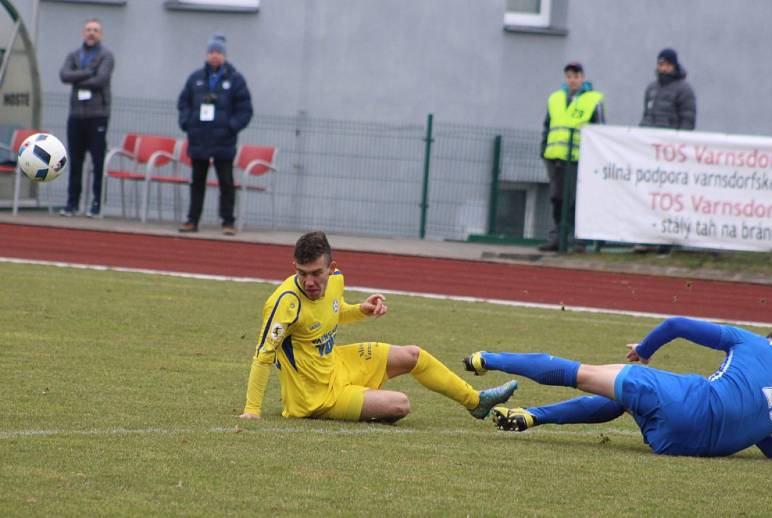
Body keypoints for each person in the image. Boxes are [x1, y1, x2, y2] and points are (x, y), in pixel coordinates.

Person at [239, 231, 518, 423]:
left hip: (337, 364)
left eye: (316, 273)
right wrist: (252, 410)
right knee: (401, 404)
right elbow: (263, 355)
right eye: (301, 273)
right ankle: (359, 402)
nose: (309, 281)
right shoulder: (285, 301)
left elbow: (332, 314)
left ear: (331, 268)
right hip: (314, 397)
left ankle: (475, 401)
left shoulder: (336, 281)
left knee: (413, 355)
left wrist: (361, 309)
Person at [464, 317, 772, 459]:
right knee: (625, 399)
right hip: (678, 445)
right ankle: (533, 417)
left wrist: (644, 350)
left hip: (686, 404)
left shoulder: (754, 342)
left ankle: (487, 358)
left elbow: (676, 325)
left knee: (582, 373)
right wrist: (755, 426)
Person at [177, 33, 253, 236]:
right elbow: (183, 103)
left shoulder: (236, 80)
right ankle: (192, 220)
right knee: (197, 181)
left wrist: (231, 126)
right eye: (211, 52)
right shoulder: (195, 78)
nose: (214, 56)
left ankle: (228, 222)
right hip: (199, 139)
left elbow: (245, 109)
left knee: (226, 182)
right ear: (206, 54)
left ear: (224, 55)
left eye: (218, 52)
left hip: (223, 141)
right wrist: (187, 123)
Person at [538, 62, 605, 253]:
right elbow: (547, 125)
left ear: (582, 78)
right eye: (569, 76)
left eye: (576, 76)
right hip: (554, 156)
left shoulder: (593, 100)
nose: (572, 80)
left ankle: (579, 241)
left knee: (576, 200)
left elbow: (599, 130)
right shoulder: (555, 98)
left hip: (578, 158)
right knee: (556, 198)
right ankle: (557, 238)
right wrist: (544, 150)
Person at [635, 48, 697, 254]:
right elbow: (646, 116)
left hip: (670, 154)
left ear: (674, 65)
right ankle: (646, 238)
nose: (663, 68)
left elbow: (687, 121)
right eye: (660, 64)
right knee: (647, 195)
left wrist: (678, 147)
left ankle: (666, 241)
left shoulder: (684, 90)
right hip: (649, 152)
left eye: (667, 64)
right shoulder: (651, 88)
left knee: (668, 198)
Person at [58, 18, 114, 218]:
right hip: (76, 115)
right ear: (83, 33)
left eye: (96, 30)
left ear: (101, 34)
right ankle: (72, 203)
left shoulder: (106, 56)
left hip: (97, 115)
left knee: (98, 161)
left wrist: (78, 78)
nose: (92, 33)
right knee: (75, 160)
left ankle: (96, 204)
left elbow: (101, 79)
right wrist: (86, 72)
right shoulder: (74, 55)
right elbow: (64, 75)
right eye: (89, 29)